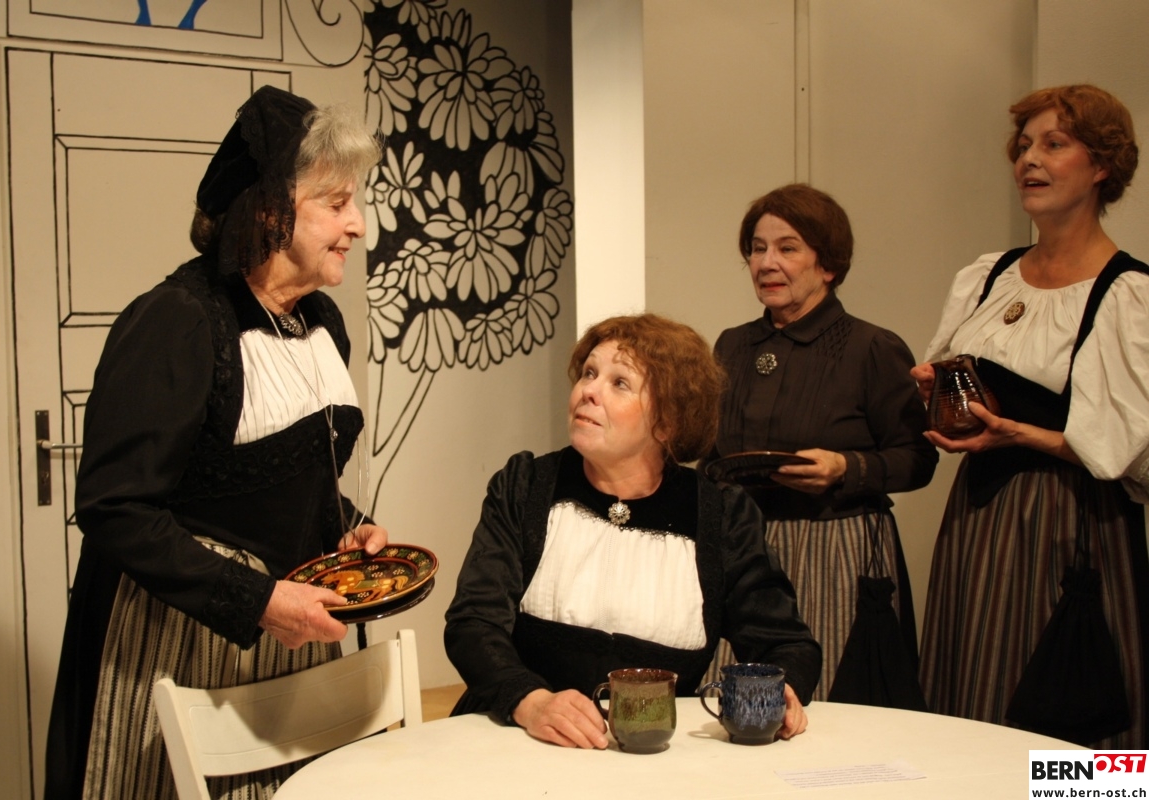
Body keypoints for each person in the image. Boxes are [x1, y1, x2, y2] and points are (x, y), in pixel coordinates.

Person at [43, 86, 387, 800]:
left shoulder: (320, 321)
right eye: (335, 204)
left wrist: (347, 526)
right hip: (176, 642)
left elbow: (278, 475)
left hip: (288, 636)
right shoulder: (178, 321)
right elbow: (115, 508)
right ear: (269, 210)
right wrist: (256, 599)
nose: (357, 224)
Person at [444, 313, 821, 749]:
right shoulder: (526, 486)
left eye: (619, 383)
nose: (588, 391)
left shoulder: (720, 514)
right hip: (520, 738)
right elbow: (473, 624)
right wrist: (530, 701)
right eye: (589, 373)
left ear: (667, 422)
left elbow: (786, 644)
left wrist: (783, 688)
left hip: (652, 754)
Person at [915, 84, 1149, 747]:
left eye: (1054, 144)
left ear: (1101, 165)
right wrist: (938, 393)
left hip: (1071, 527)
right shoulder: (990, 276)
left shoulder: (1128, 295)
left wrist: (1025, 434)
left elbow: (1135, 452)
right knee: (973, 699)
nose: (1029, 160)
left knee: (1070, 714)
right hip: (979, 521)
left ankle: (1090, 793)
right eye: (1023, 146)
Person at [706, 184, 937, 702]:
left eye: (787, 248)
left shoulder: (871, 346)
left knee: (824, 708)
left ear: (827, 264)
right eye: (758, 249)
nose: (767, 262)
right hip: (743, 548)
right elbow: (712, 454)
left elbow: (919, 458)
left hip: (834, 548)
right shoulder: (733, 344)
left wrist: (846, 468)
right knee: (733, 706)